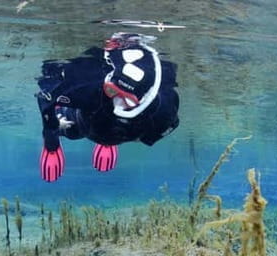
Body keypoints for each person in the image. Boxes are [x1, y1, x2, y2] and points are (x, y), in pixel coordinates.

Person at [35, 33, 180, 182]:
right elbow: (45, 98)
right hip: (84, 120)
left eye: (127, 101)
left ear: (145, 99)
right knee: (72, 132)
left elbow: (172, 124)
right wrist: (51, 136)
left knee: (75, 131)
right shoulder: (91, 90)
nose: (116, 103)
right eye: (112, 91)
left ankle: (108, 139)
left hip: (117, 133)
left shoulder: (164, 111)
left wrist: (132, 135)